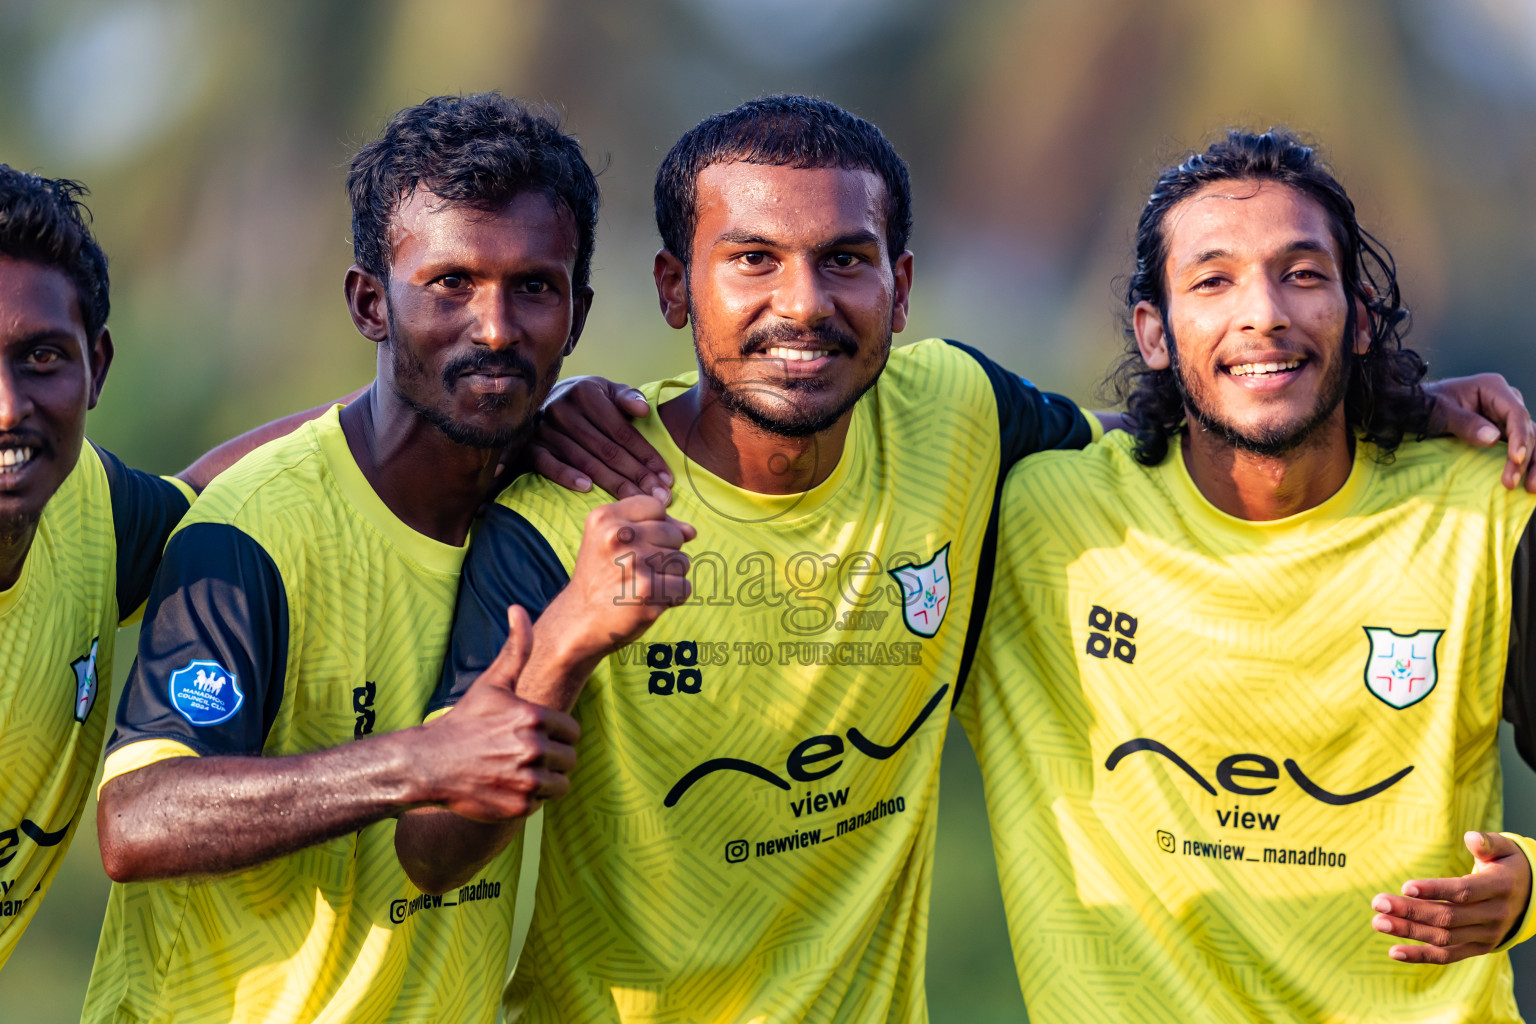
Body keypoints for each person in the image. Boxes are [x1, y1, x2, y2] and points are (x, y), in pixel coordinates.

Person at [401, 95, 1529, 1021]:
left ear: (899, 286)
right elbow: (434, 851)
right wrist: (565, 641)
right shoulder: (563, 508)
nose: (802, 302)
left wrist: (1389, 404)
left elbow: (1224, 434)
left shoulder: (969, 422)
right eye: (752, 258)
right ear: (670, 288)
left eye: (844, 259)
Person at [80, 93, 681, 1024]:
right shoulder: (258, 528)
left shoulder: (560, 514)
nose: (494, 327)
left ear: (580, 311)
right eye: (450, 284)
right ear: (370, 302)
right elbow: (139, 820)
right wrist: (420, 762)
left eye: (534, 287)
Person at [959, 128, 1536, 1022]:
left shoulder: (1488, 514)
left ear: (1360, 315)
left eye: (1303, 274)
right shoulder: (1036, 521)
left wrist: (1531, 881)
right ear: (1154, 332)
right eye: (1213, 280)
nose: (1263, 312)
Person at [0, 165, 362, 972]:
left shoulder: (85, 509)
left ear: (96, 366)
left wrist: (465, 415)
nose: (7, 405)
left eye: (41, 357)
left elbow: (207, 495)